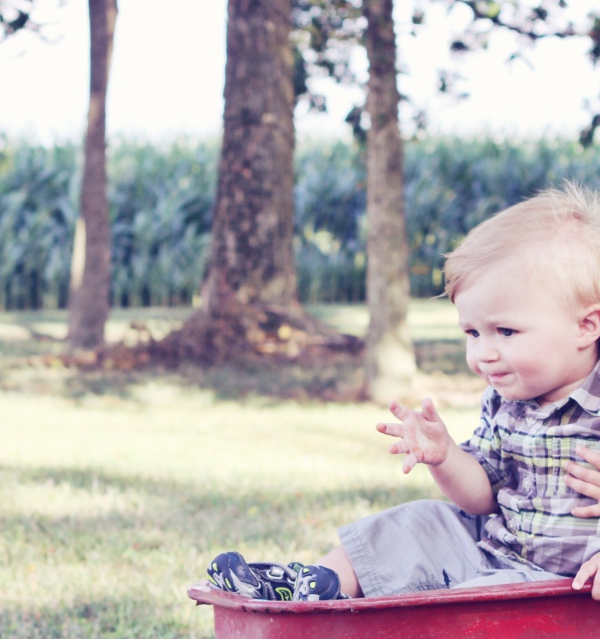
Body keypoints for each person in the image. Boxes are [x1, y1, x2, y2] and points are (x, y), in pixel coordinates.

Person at [207, 183, 600, 603]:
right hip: (497, 551)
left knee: (471, 599)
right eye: (472, 332)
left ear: (586, 327)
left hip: (566, 582)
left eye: (506, 331)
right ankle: (313, 587)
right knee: (419, 521)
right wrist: (448, 456)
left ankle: (372, 627)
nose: (484, 353)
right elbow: (483, 497)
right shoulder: (508, 400)